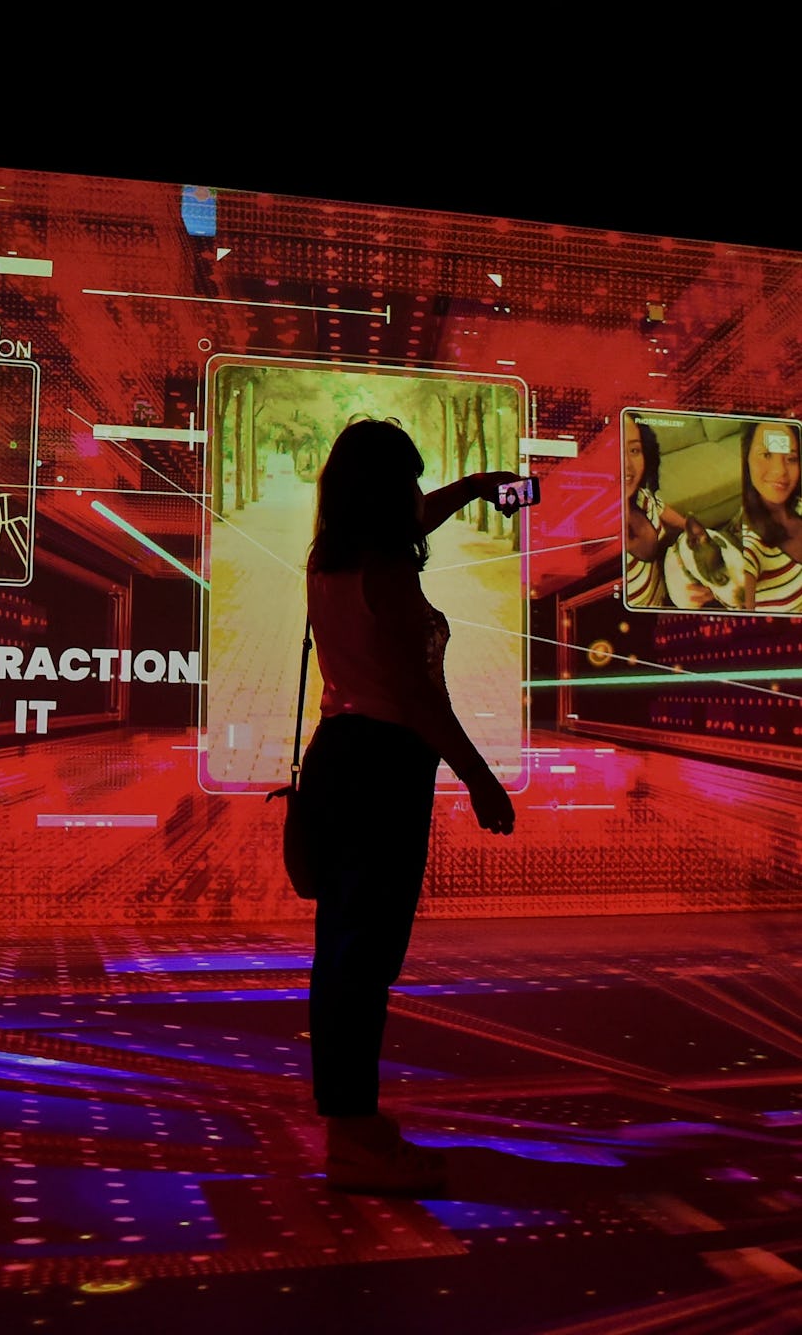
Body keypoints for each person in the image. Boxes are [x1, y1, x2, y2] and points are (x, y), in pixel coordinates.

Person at [298, 416, 517, 1196]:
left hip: (343, 757)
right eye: (411, 481)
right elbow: (421, 701)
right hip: (384, 768)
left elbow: (422, 518)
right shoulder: (386, 574)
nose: (421, 496)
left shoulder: (334, 559)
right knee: (366, 957)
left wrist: (482, 488)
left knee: (345, 952)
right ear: (387, 492)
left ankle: (350, 1123)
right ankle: (354, 1136)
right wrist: (482, 778)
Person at [623, 411, 711, 608]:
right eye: (613, 451)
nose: (627, 466)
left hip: (667, 597)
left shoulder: (641, 497)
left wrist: (706, 571)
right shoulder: (595, 544)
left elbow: (662, 510)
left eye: (634, 450)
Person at [741, 419, 802, 610]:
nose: (780, 471)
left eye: (791, 458)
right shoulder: (750, 546)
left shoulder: (799, 504)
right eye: (766, 454)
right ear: (746, 458)